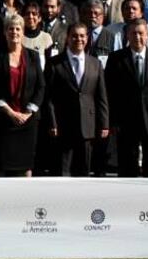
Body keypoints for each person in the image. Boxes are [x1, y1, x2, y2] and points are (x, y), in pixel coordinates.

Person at [106, 19, 148, 177]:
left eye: (141, 33)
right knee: (127, 166)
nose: (137, 37)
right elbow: (110, 92)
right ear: (127, 35)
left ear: (147, 35)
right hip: (126, 120)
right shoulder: (116, 59)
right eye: (133, 33)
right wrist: (113, 122)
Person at [43, 24, 109, 176]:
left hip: (88, 126)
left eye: (82, 36)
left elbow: (101, 96)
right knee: (62, 172)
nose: (78, 39)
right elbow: (49, 97)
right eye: (74, 35)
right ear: (67, 38)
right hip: (63, 126)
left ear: (87, 38)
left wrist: (104, 123)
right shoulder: (54, 63)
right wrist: (52, 122)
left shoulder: (95, 63)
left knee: (83, 172)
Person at [0, 14, 45, 177]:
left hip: (28, 122)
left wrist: (28, 113)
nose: (14, 32)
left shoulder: (33, 56)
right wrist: (11, 113)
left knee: (25, 167)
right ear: (5, 32)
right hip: (3, 121)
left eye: (18, 28)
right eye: (10, 28)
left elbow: (41, 87)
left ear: (23, 31)